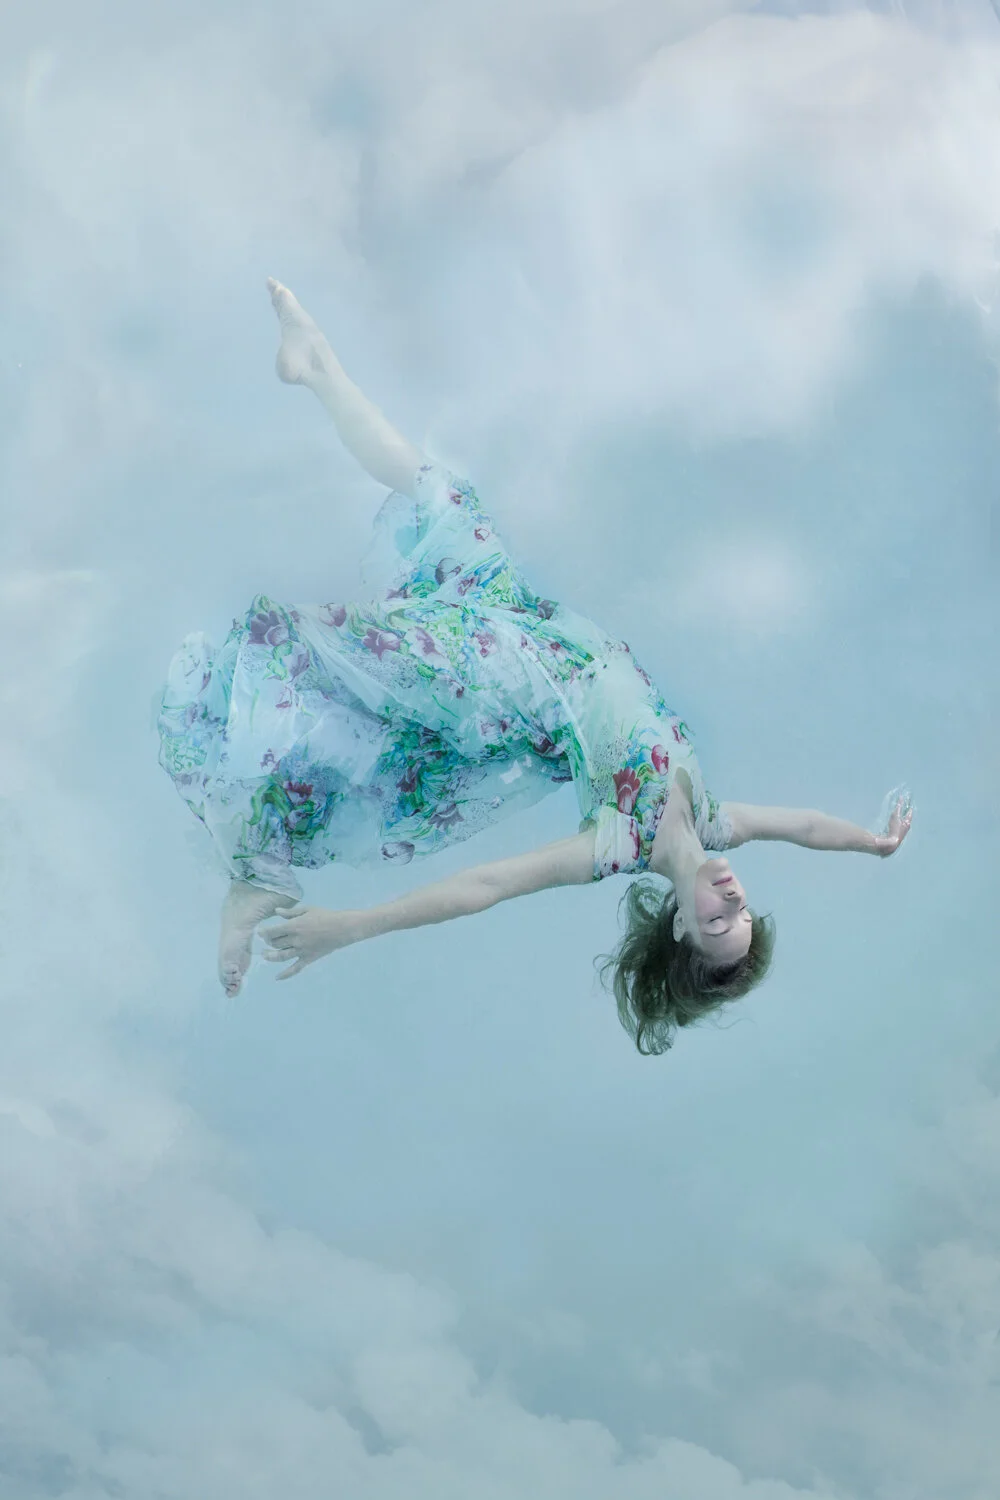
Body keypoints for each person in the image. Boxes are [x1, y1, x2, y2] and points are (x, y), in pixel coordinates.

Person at [157, 280, 912, 1054]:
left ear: (681, 924)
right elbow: (806, 827)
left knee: (317, 647)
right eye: (743, 912)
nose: (731, 902)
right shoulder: (718, 817)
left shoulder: (620, 842)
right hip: (527, 623)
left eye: (718, 923)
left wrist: (350, 928)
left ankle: (255, 869)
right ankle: (317, 366)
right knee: (442, 498)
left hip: (502, 679)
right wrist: (871, 842)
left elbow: (485, 888)